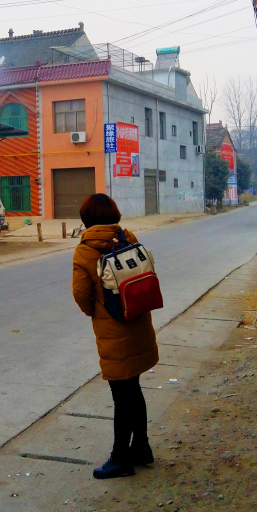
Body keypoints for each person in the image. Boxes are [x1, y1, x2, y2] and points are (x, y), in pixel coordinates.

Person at [72, 192, 159, 479]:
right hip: (137, 318)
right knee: (133, 388)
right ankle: (142, 448)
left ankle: (121, 457)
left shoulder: (85, 250)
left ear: (87, 219)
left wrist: (96, 312)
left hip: (112, 328)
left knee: (122, 393)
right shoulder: (128, 237)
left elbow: (82, 295)